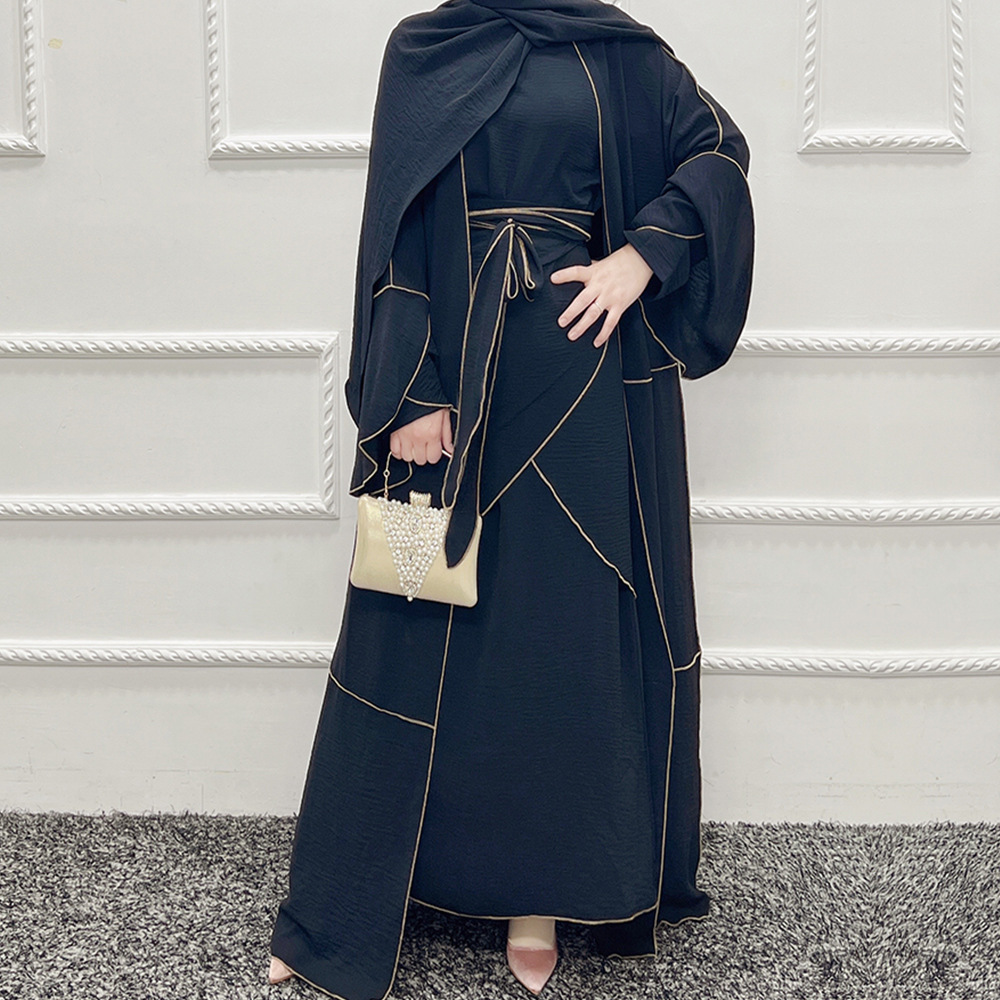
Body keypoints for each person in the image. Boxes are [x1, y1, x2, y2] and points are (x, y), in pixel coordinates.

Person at [268, 1, 754, 997]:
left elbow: (716, 153)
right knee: (407, 615)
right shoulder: (425, 49)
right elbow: (395, 227)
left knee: (559, 626)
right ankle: (342, 903)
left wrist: (643, 253)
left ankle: (541, 897)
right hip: (449, 370)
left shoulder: (621, 50)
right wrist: (411, 389)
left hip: (582, 373)